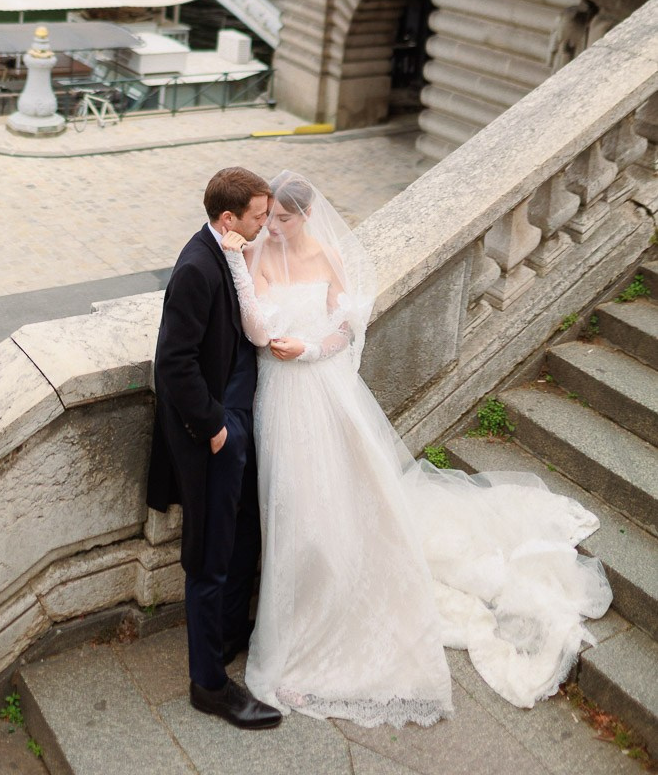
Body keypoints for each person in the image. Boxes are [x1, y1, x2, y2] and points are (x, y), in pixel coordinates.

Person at [218, 171, 612, 728]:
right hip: (277, 401)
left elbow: (345, 329)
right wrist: (241, 264)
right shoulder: (256, 255)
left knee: (328, 502)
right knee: (290, 508)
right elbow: (256, 331)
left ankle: (330, 605)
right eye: (270, 219)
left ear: (305, 216)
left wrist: (308, 348)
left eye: (283, 219)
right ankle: (298, 611)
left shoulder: (328, 255)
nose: (273, 228)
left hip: (322, 392)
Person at [146, 168, 282, 732]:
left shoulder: (223, 252)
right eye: (257, 215)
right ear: (229, 218)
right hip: (214, 435)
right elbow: (172, 363)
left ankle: (227, 641)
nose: (265, 223)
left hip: (236, 422)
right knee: (208, 558)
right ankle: (209, 685)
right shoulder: (197, 267)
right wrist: (215, 428)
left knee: (239, 538)